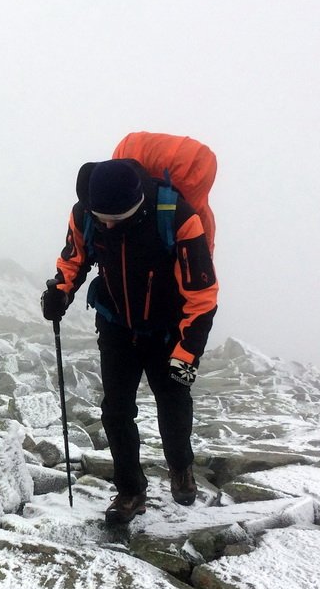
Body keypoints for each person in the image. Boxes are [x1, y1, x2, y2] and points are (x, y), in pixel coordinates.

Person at [41, 158, 218, 525]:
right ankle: (130, 490)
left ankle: (180, 466)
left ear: (136, 205)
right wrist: (60, 290)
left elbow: (202, 296)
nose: (106, 224)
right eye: (100, 216)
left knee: (172, 399)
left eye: (115, 219)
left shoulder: (177, 217)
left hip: (167, 329)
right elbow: (75, 257)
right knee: (116, 410)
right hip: (116, 324)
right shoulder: (86, 212)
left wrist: (186, 355)